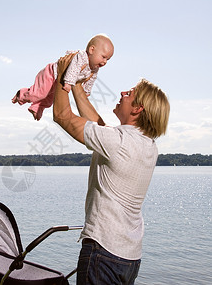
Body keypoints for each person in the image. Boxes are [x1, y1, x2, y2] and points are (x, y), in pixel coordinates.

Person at [53, 55, 170, 285]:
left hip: (103, 252)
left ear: (138, 109)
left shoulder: (117, 142)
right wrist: (76, 83)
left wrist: (62, 76)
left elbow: (62, 116)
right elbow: (98, 126)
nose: (123, 93)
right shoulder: (147, 145)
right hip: (129, 257)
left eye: (130, 94)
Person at [12, 34, 114, 120]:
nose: (105, 62)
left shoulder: (94, 68)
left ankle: (37, 108)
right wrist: (69, 82)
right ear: (92, 50)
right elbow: (73, 68)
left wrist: (86, 91)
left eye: (108, 60)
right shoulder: (81, 56)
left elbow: (91, 79)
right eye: (103, 57)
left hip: (59, 80)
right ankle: (21, 95)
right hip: (51, 74)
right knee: (39, 94)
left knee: (50, 99)